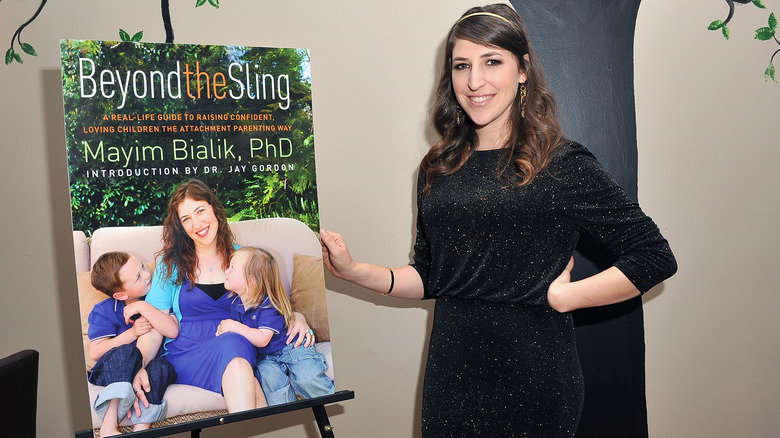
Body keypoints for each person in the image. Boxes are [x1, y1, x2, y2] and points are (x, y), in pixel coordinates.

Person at [319, 4, 677, 437]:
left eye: (492, 62)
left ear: (523, 69)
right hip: (451, 375)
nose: (475, 81)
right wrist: (353, 271)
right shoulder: (439, 166)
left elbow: (654, 256)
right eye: (461, 66)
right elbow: (431, 277)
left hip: (536, 377)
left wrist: (568, 298)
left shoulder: (561, 163)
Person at [140, 179, 315, 413]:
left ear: (214, 208)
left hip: (237, 342)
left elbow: (268, 304)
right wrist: (139, 365)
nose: (196, 224)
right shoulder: (170, 264)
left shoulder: (244, 258)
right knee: (246, 376)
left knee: (235, 349)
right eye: (186, 219)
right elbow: (154, 324)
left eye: (200, 210)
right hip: (187, 352)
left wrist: (297, 316)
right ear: (181, 227)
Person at [216, 247, 335, 405]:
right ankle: (290, 420)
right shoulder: (235, 303)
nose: (226, 271)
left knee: (308, 379)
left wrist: (234, 326)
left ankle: (337, 404)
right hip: (266, 358)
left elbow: (262, 339)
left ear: (251, 281)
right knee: (272, 385)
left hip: (292, 347)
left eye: (232, 267)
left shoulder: (269, 305)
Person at [87, 252, 177, 437]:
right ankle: (108, 425)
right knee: (127, 352)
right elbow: (96, 352)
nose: (146, 274)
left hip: (148, 368)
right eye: (138, 277)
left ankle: (140, 430)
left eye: (143, 266)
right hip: (114, 370)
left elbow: (172, 328)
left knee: (162, 367)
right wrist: (133, 333)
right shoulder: (104, 311)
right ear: (120, 295)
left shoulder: (157, 300)